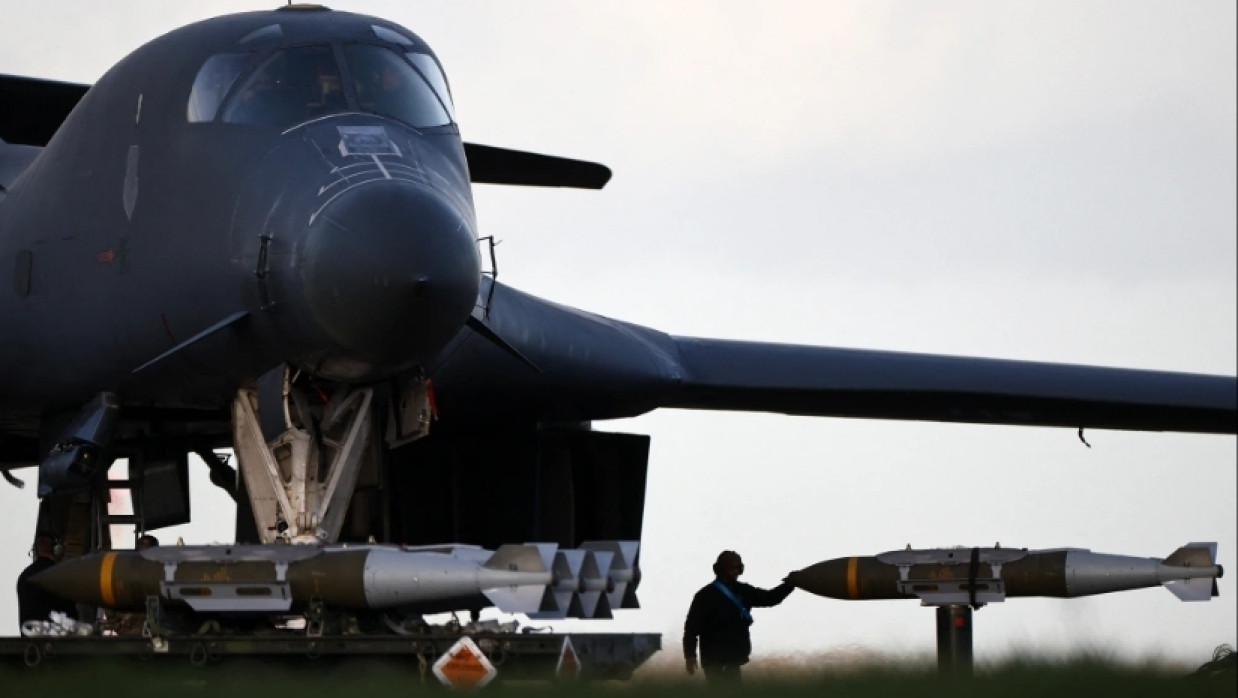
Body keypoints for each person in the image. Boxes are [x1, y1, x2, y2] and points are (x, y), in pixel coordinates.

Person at [683, 550, 794, 683]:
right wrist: (690, 656)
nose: (735, 571)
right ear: (720, 569)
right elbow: (691, 629)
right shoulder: (705, 596)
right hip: (714, 660)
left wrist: (790, 585)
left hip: (733, 659)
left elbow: (770, 598)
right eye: (731, 568)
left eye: (737, 568)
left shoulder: (744, 591)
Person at [15, 531, 77, 629]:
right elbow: (68, 610)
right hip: (56, 638)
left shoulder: (24, 576)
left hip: (30, 639)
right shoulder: (60, 574)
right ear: (57, 549)